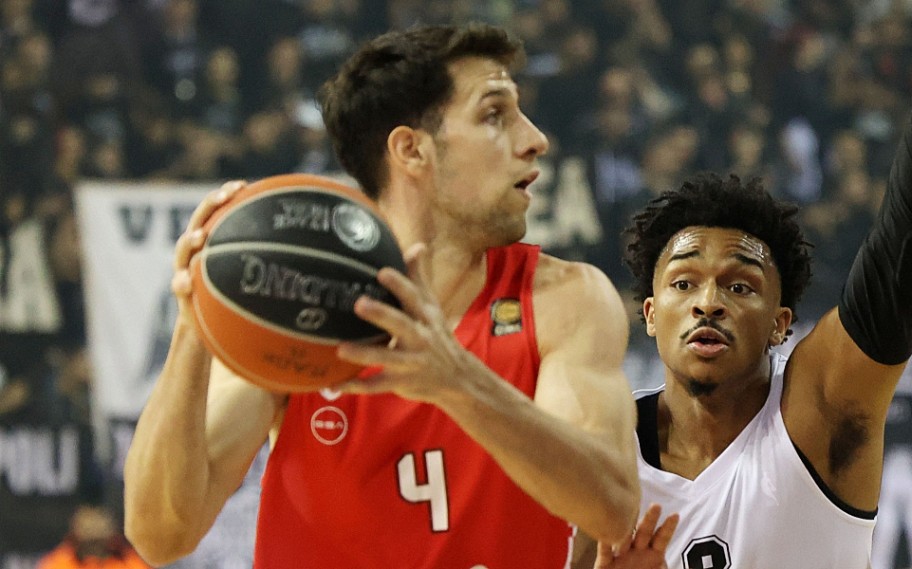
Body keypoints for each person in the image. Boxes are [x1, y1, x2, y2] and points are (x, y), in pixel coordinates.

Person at [123, 22, 654, 569]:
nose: (534, 139)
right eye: (495, 114)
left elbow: (612, 508)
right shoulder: (303, 309)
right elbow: (161, 534)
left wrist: (459, 383)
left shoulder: (564, 299)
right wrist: (194, 324)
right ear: (411, 150)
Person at [596, 19, 912, 569]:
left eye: (739, 285)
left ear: (781, 323)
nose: (708, 302)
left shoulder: (815, 418)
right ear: (650, 314)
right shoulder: (599, 456)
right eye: (684, 282)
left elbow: (906, 243)